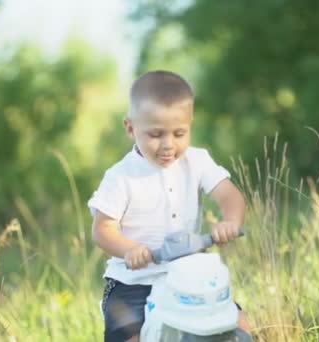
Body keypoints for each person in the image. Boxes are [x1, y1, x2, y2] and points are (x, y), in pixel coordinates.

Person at [88, 70, 250, 341]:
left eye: (179, 133)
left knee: (238, 324)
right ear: (130, 128)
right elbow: (102, 229)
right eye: (155, 134)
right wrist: (131, 250)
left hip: (187, 273)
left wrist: (230, 221)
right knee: (130, 336)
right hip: (134, 281)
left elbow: (229, 196)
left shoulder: (197, 161)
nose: (168, 145)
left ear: (189, 125)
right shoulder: (121, 176)